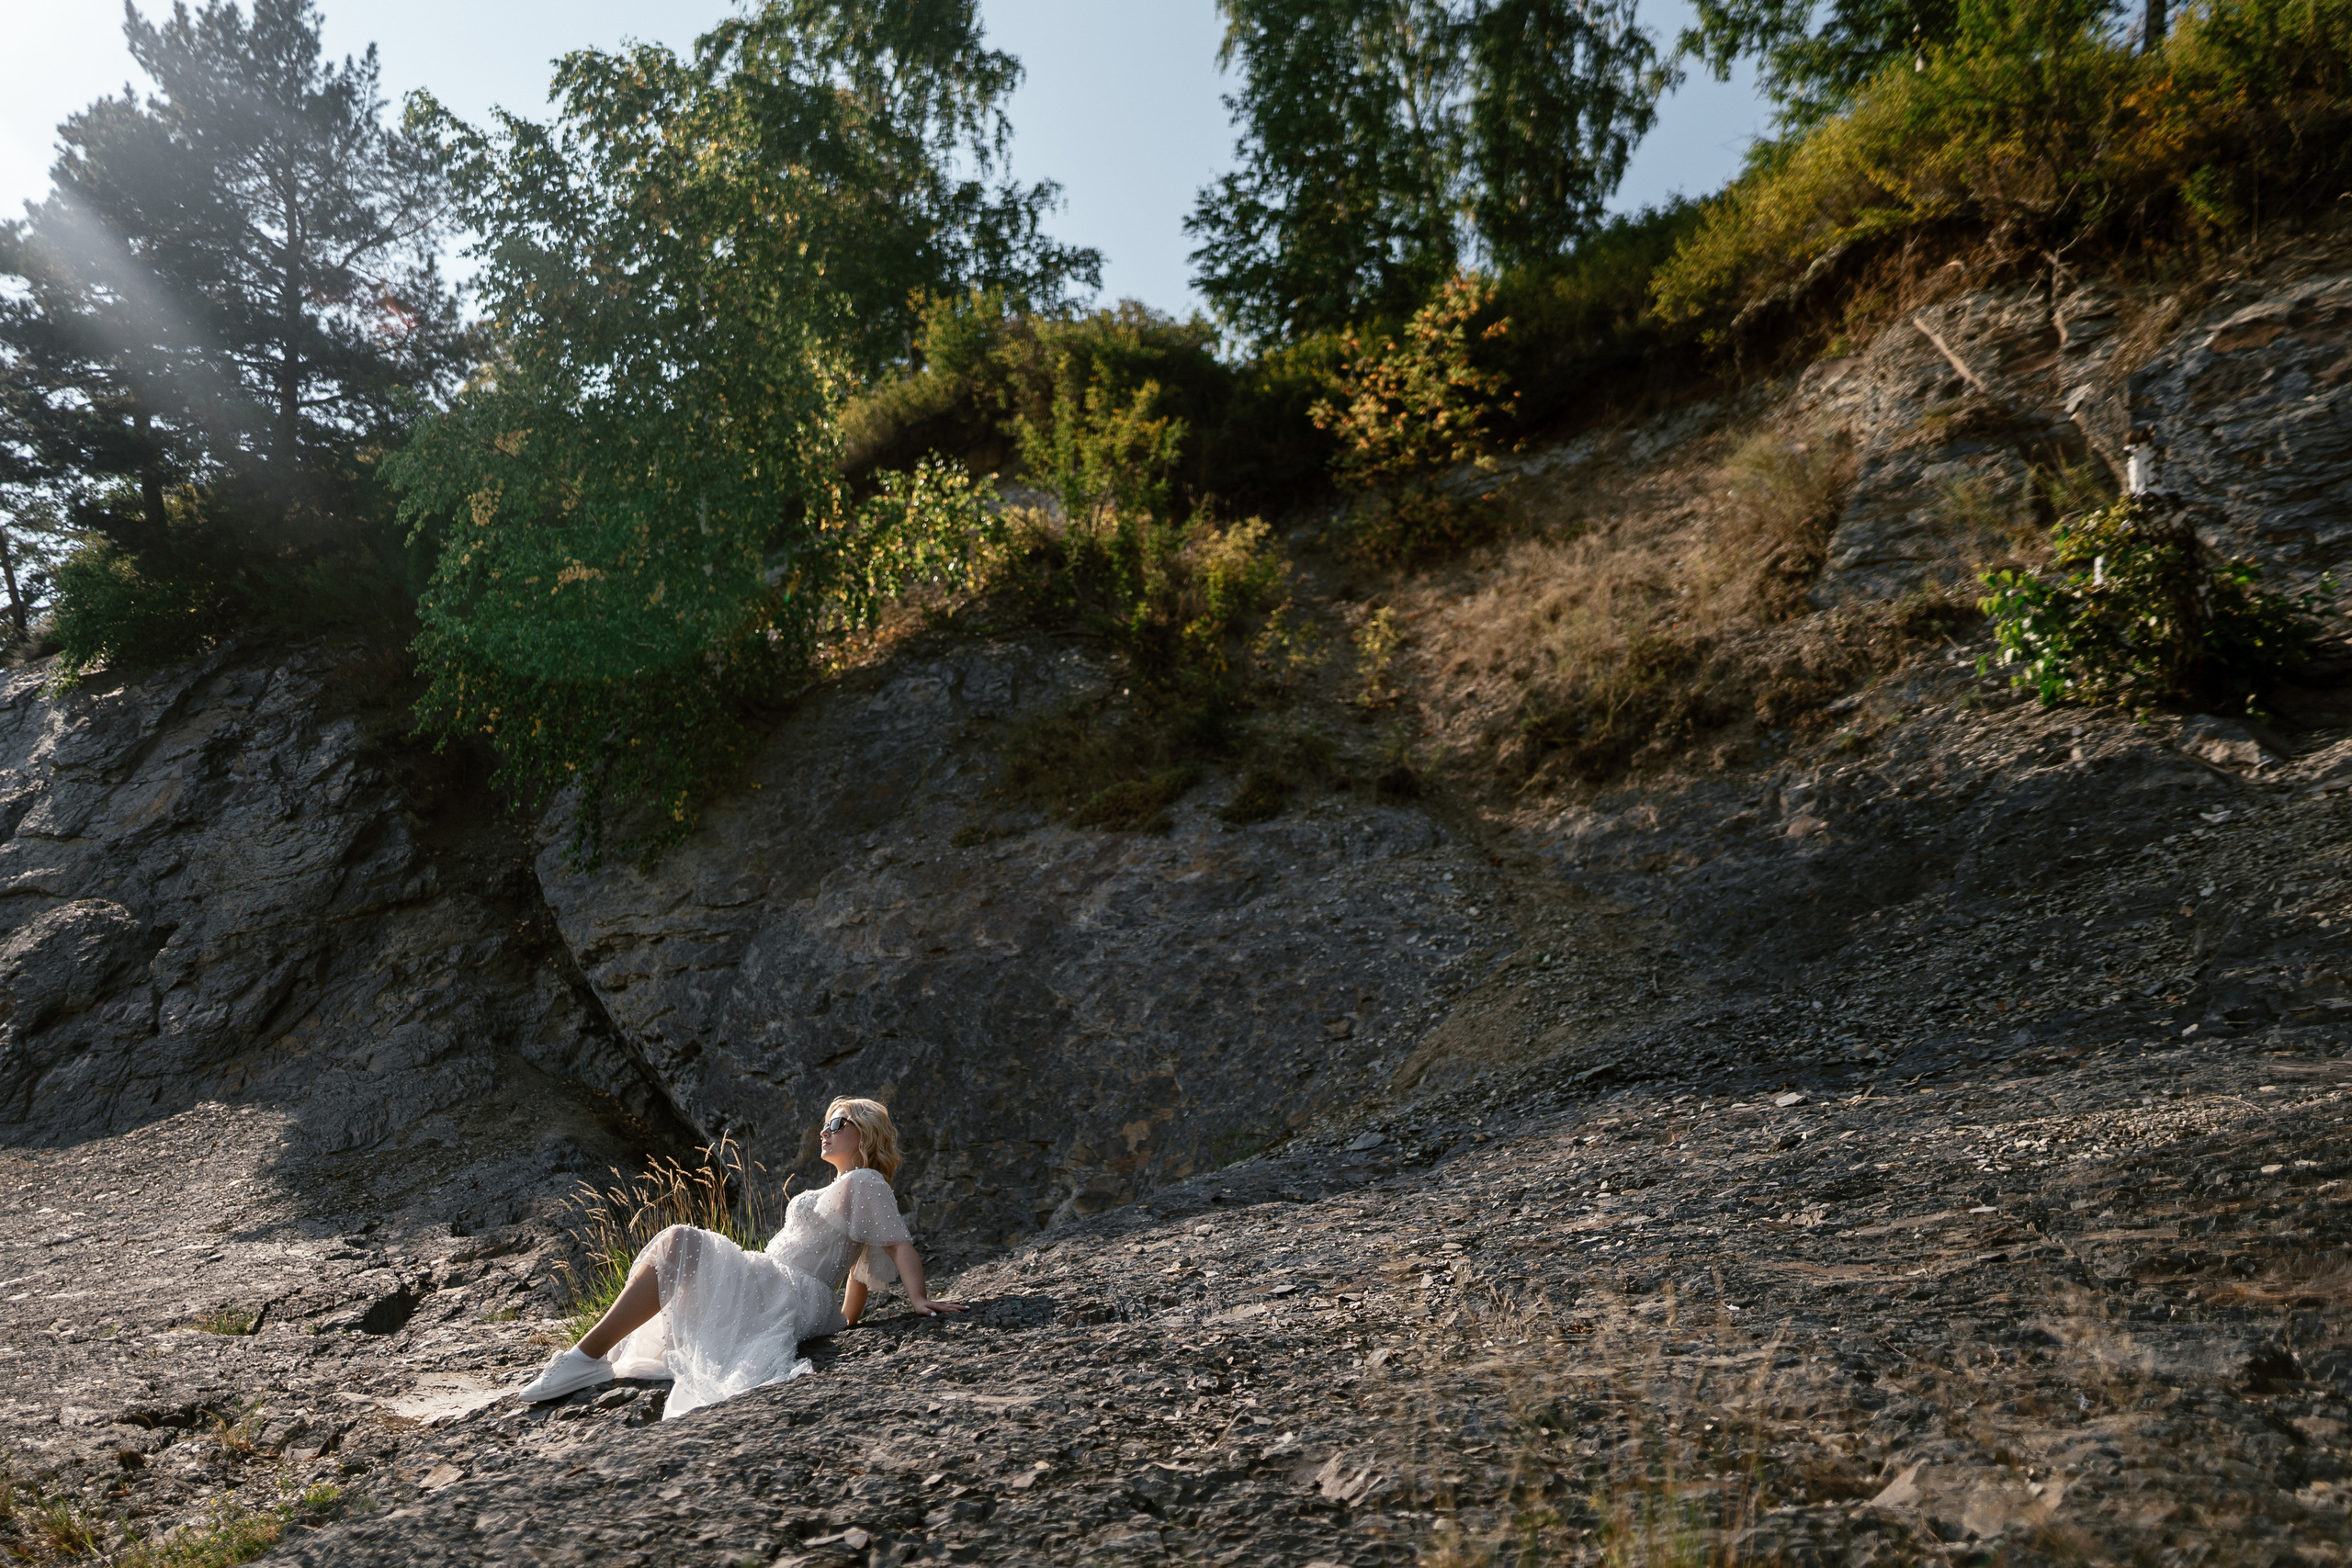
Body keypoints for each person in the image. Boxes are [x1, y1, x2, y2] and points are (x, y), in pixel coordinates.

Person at [513, 1097, 964, 1419]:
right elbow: (858, 1269)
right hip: (773, 1283)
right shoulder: (843, 1187)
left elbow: (895, 1243)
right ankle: (591, 1356)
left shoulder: (865, 1181)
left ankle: (582, 1358)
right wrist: (845, 1319)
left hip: (787, 1288)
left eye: (838, 1122)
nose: (824, 1131)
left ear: (864, 1132)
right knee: (680, 1254)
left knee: (679, 1242)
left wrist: (919, 1300)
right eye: (825, 1123)